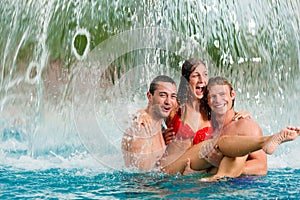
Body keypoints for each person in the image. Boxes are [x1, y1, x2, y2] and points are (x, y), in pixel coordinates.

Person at [121, 75, 300, 177]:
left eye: (222, 95)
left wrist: (213, 169)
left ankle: (266, 141)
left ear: (232, 95)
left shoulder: (243, 124)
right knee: (222, 145)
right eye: (212, 97)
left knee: (230, 149)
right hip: (167, 173)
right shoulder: (204, 121)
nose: (217, 100)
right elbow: (156, 110)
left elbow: (261, 167)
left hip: (221, 180)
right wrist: (140, 113)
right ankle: (265, 141)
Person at [121, 75, 177, 170]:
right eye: (163, 95)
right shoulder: (141, 129)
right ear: (149, 96)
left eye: (173, 96)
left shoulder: (160, 128)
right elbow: (141, 178)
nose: (168, 101)